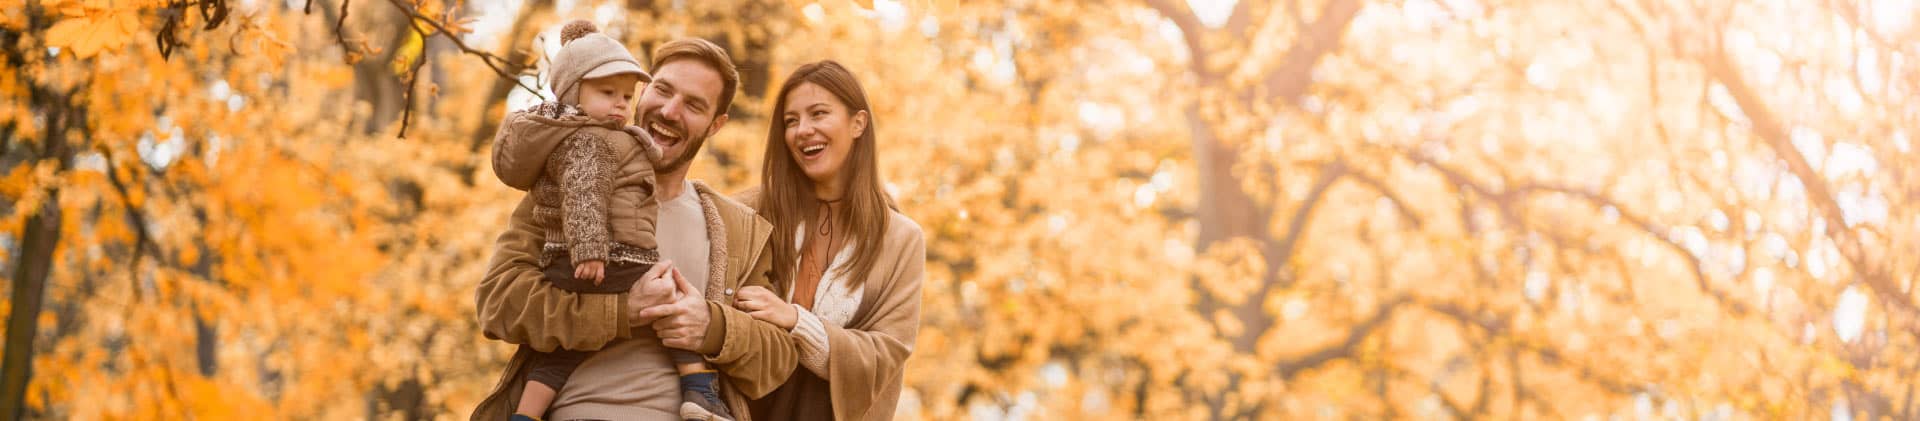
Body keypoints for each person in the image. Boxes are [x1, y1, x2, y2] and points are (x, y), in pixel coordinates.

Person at [473, 36, 798, 421]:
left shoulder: (736, 228)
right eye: (662, 90)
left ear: (716, 125)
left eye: (694, 105)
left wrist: (711, 325)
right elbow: (498, 302)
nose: (670, 110)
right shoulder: (564, 190)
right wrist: (621, 312)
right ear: (642, 93)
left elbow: (778, 359)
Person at [732, 60, 927, 421]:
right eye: (791, 121)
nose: (803, 130)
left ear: (858, 123)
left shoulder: (902, 239)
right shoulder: (748, 210)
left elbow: (886, 354)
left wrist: (795, 320)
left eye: (818, 114)